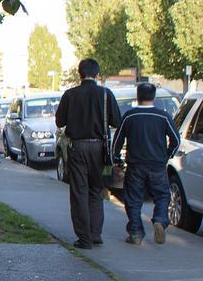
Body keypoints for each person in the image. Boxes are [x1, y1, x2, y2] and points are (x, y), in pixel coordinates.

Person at [55, 58, 121, 249]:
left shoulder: (70, 94)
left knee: (79, 192)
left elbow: (60, 122)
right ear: (98, 74)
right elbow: (116, 121)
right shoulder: (106, 94)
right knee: (96, 191)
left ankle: (84, 238)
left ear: (80, 73)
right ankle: (95, 234)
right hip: (99, 147)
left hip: (77, 147)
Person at [111, 82, 181, 245]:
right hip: (157, 164)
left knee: (133, 199)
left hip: (135, 165)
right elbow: (176, 140)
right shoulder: (163, 116)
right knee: (162, 195)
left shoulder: (130, 116)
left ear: (138, 96)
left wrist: (116, 160)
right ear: (153, 97)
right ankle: (160, 220)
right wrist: (166, 155)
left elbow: (118, 141)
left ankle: (135, 232)